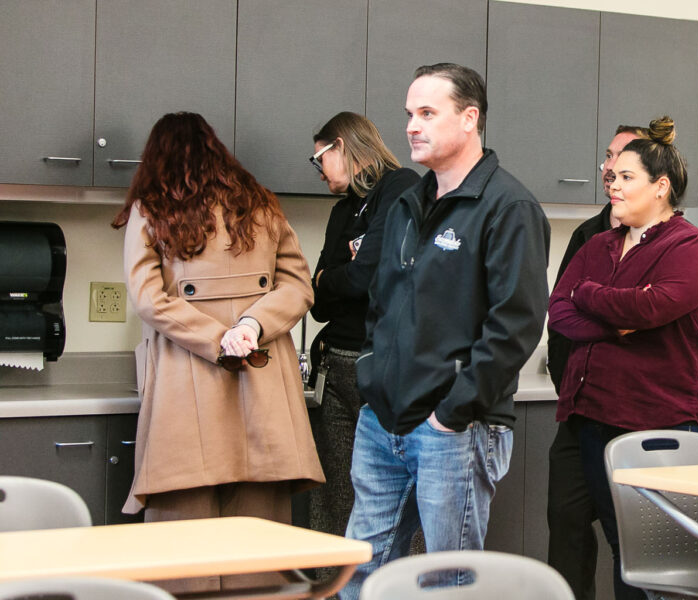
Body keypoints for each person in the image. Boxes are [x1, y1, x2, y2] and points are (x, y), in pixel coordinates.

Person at [342, 63, 550, 597]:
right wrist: (371, 373)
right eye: (410, 114)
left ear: (469, 119)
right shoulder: (408, 203)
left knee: (448, 583)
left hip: (453, 429)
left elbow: (515, 325)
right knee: (360, 572)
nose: (412, 125)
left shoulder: (509, 206)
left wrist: (451, 413)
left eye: (428, 113)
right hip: (383, 419)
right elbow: (381, 302)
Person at [113, 112, 322, 593]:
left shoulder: (152, 210)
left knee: (183, 547)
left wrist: (215, 338)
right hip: (262, 382)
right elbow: (298, 284)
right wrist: (251, 325)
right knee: (260, 547)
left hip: (187, 388)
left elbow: (149, 300)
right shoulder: (261, 206)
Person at [549, 116, 698, 600]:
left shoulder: (692, 247)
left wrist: (592, 296)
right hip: (592, 416)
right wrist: (610, 315)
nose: (614, 185)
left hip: (661, 424)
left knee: (653, 560)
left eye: (627, 178)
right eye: (612, 177)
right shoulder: (599, 243)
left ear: (661, 187)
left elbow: (652, 307)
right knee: (618, 547)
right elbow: (560, 311)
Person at [307, 112, 420, 556]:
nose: (319, 173)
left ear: (342, 146)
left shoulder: (400, 186)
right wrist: (339, 278)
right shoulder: (342, 211)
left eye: (320, 160)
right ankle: (332, 588)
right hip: (336, 363)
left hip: (384, 366)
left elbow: (363, 277)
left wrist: (335, 277)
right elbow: (318, 303)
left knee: (392, 503)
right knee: (337, 495)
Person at [545, 123, 646, 600]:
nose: (609, 169)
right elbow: (560, 314)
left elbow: (648, 319)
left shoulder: (674, 242)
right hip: (580, 407)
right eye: (608, 157)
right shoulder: (589, 233)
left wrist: (595, 307)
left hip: (635, 415)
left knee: (628, 537)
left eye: (623, 160)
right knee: (565, 520)